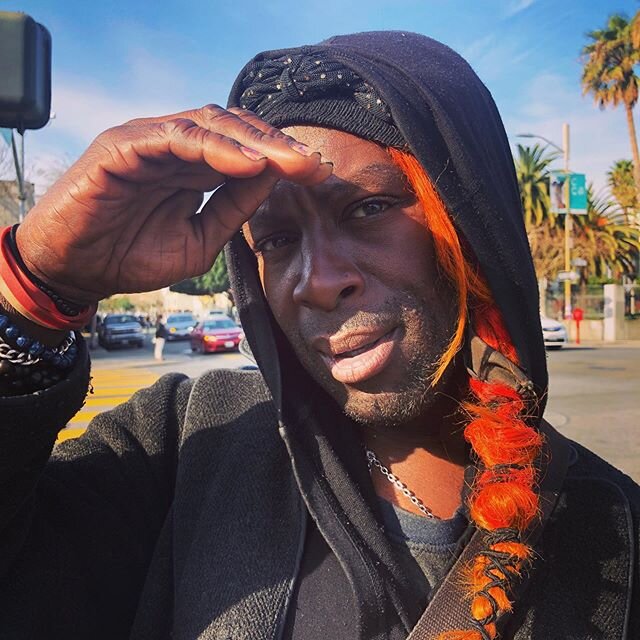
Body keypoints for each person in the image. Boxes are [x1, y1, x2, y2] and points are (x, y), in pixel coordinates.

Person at [0, 32, 637, 640]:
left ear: (469, 221)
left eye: (369, 208)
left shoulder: (613, 533)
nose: (319, 281)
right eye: (276, 240)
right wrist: (33, 285)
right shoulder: (184, 443)